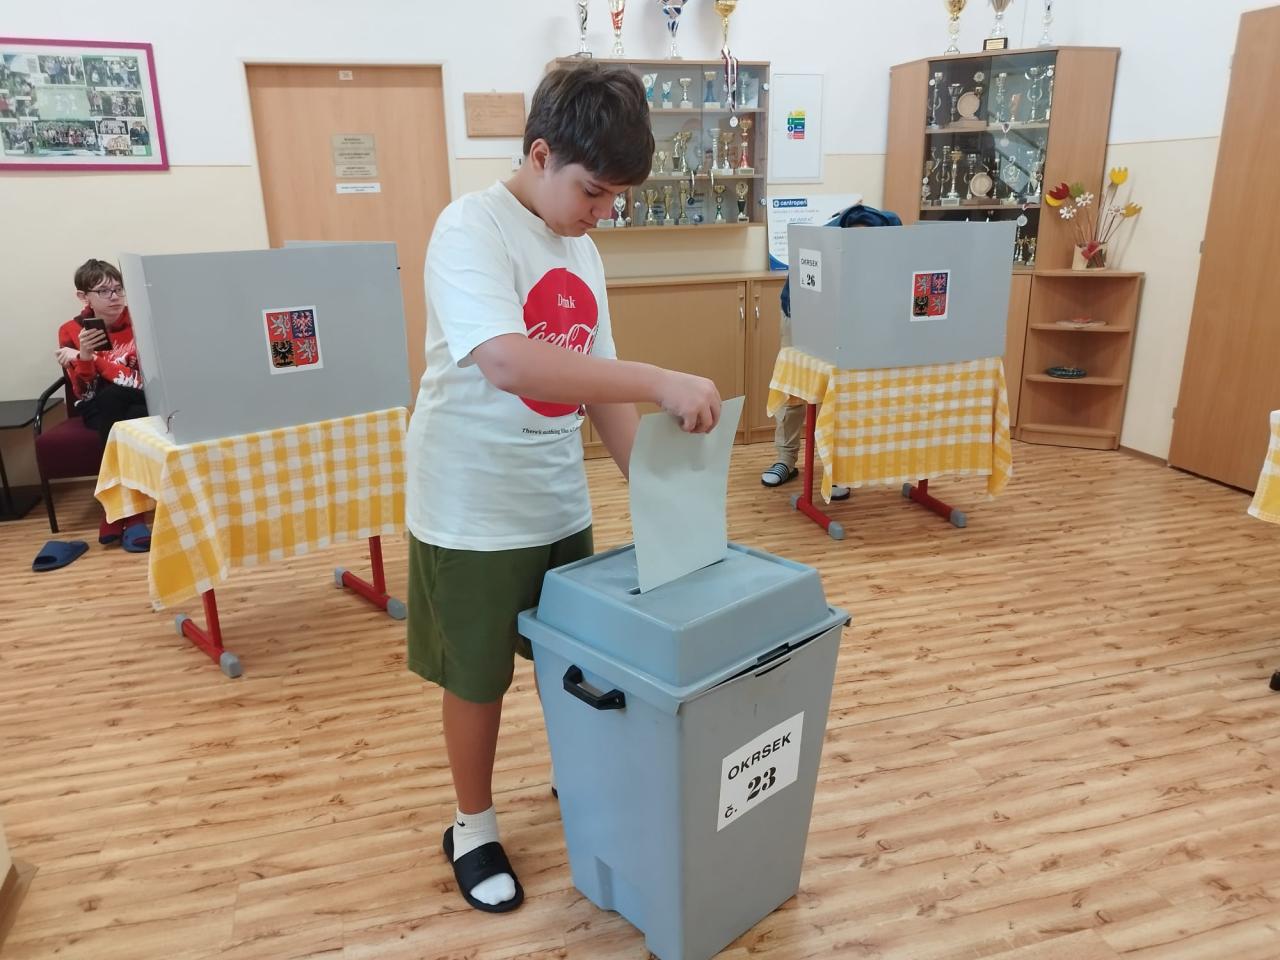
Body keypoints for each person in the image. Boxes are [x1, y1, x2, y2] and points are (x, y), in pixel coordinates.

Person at [405, 61, 721, 914]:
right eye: (593, 191)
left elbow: (597, 384)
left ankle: (576, 777)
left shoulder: (581, 248)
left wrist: (659, 497)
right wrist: (659, 378)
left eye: (616, 197)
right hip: (472, 503)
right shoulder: (470, 228)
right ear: (541, 154)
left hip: (554, 495)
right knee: (476, 678)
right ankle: (471, 826)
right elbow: (508, 361)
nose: (602, 212)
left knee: (566, 662)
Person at [760, 203, 904, 499]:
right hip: (802, 311)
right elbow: (810, 295)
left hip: (853, 314)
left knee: (842, 392)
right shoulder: (820, 242)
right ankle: (785, 459)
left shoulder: (892, 237)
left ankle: (837, 467)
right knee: (795, 388)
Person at [54, 259, 151, 550]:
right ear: (83, 297)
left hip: (141, 397)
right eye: (104, 291)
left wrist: (93, 359)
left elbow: (144, 381)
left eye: (119, 289)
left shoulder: (141, 321)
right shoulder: (71, 331)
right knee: (115, 407)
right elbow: (84, 393)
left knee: (116, 399)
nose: (115, 297)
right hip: (101, 407)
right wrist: (84, 355)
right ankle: (133, 515)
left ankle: (118, 511)